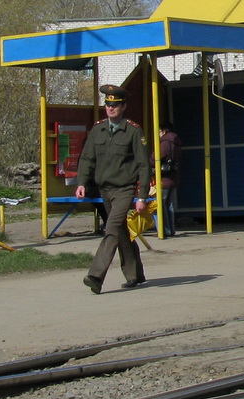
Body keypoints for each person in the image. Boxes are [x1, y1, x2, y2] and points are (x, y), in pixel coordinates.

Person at [76, 85, 151, 293]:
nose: (111, 108)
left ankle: (96, 276)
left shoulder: (134, 131)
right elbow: (87, 158)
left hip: (125, 189)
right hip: (104, 189)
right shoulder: (98, 129)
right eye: (108, 105)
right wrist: (82, 182)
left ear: (123, 106)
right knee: (120, 231)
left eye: (115, 105)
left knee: (111, 229)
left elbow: (144, 165)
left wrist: (142, 196)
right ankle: (135, 273)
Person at [158, 121, 183, 239]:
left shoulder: (165, 142)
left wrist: (151, 160)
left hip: (164, 177)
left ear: (164, 130)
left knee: (161, 204)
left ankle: (165, 230)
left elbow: (157, 156)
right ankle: (171, 229)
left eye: (159, 131)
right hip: (173, 177)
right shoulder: (176, 142)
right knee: (170, 204)